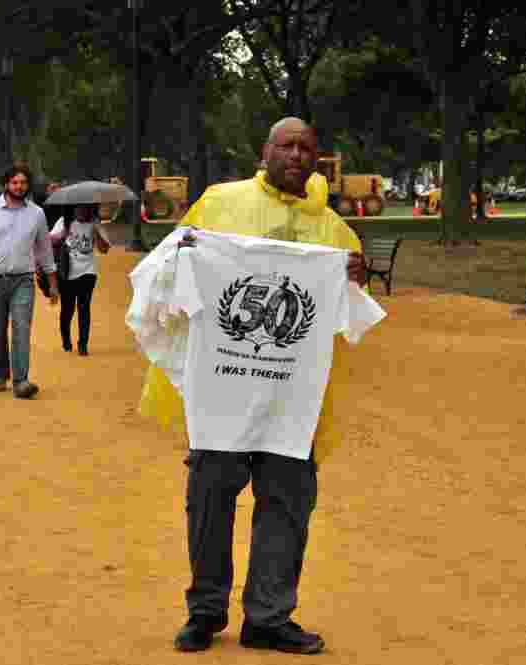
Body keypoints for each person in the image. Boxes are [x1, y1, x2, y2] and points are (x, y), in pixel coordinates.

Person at [154, 117, 367, 655]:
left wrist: (354, 277)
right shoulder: (219, 203)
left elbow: (351, 316)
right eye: (286, 145)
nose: (296, 155)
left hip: (292, 403)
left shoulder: (335, 232)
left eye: (306, 148)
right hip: (222, 396)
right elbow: (171, 273)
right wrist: (185, 254)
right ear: (266, 150)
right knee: (208, 504)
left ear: (316, 157)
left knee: (287, 507)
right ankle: (204, 612)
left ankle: (269, 616)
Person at [0, 166, 59, 399]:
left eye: (23, 183)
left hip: (23, 281)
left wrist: (53, 283)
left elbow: (45, 251)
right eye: (15, 182)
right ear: (6, 184)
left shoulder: (36, 214)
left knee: (21, 329)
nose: (19, 187)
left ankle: (21, 381)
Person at [49, 203, 111, 355]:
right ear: (74, 208)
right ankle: (66, 340)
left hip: (88, 271)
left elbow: (104, 250)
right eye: (79, 207)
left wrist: (96, 232)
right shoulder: (64, 222)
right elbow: (50, 241)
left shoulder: (95, 224)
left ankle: (83, 344)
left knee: (84, 308)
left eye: (86, 208)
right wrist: (62, 233)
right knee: (67, 309)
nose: (83, 211)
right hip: (67, 272)